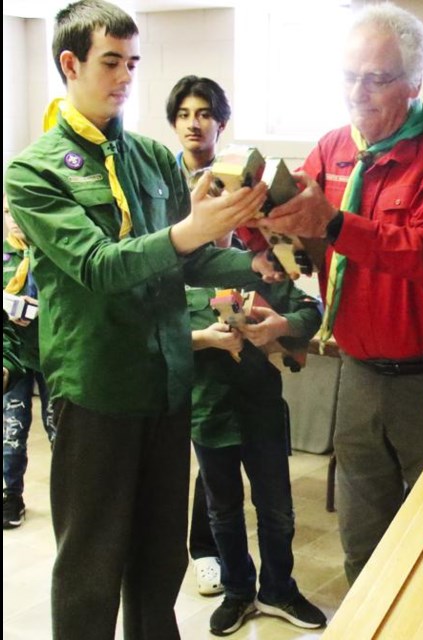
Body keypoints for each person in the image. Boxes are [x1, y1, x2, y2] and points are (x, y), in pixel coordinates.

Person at [3, 2, 276, 637]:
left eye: (133, 62)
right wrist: (189, 231)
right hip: (97, 387)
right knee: (92, 563)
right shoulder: (35, 169)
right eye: (110, 62)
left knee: (160, 558)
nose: (125, 76)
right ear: (70, 64)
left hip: (166, 383)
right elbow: (97, 266)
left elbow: (185, 261)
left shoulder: (152, 159)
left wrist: (262, 267)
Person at [258, 2, 423, 584]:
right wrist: (266, 244)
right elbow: (304, 232)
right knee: (363, 537)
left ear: (415, 81)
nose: (358, 92)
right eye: (348, 76)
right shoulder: (334, 146)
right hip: (360, 373)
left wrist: (334, 224)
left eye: (377, 78)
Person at [188, 231, 325, 635]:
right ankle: (237, 591)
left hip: (261, 411)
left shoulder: (259, 269)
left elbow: (310, 310)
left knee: (277, 510)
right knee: (223, 511)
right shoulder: (177, 275)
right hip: (209, 413)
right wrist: (201, 339)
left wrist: (280, 325)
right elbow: (156, 333)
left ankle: (279, 590)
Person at [166, 73, 230, 597]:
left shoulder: (236, 183)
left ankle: (205, 548)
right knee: (162, 449)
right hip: (169, 331)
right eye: (185, 114)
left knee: (212, 451)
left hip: (219, 325)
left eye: (204, 113)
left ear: (220, 123)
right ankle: (161, 549)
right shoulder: (159, 181)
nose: (194, 122)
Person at [3, 198, 56, 530]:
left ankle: (70, 496)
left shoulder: (50, 251)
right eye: (7, 212)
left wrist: (41, 305)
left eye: (18, 209)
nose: (13, 219)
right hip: (13, 353)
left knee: (59, 428)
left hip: (52, 352)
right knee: (12, 426)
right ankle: (10, 494)